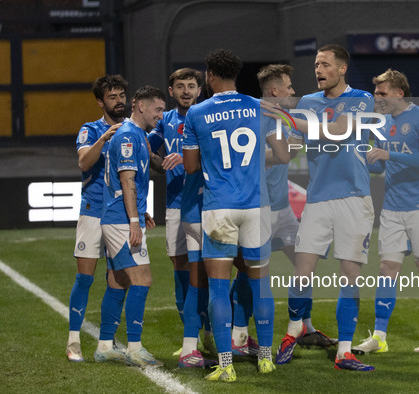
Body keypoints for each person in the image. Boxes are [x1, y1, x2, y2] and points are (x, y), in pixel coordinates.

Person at [182, 49, 289, 382]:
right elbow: (283, 154)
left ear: (211, 75)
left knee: (217, 288)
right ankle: (267, 359)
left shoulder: (196, 112)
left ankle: (226, 364)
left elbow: (190, 166)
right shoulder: (260, 107)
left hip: (219, 208)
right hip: (257, 206)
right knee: (261, 286)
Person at [272, 44, 375, 372]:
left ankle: (344, 351)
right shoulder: (306, 103)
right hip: (317, 199)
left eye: (325, 64)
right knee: (302, 271)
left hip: (354, 199)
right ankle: (293, 333)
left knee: (349, 274)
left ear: (342, 69)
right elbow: (292, 146)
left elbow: (338, 131)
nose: (318, 70)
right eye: (316, 64)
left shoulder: (361, 99)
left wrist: (287, 117)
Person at [228, 64, 337, 352]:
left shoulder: (282, 118)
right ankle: (238, 335)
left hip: (283, 209)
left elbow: (287, 152)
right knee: (248, 272)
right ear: (275, 91)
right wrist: (285, 152)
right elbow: (271, 156)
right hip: (257, 209)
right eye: (288, 86)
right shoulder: (253, 116)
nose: (293, 91)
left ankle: (305, 327)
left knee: (305, 262)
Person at [352, 69, 419, 354]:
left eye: (382, 93)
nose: (377, 98)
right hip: (393, 208)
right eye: (375, 93)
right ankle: (380, 337)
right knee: (387, 268)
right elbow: (379, 165)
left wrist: (388, 154)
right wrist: (357, 157)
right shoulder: (381, 124)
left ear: (399, 93)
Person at [147, 67, 215, 366]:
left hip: (207, 203)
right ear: (171, 91)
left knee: (211, 270)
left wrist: (190, 159)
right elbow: (142, 149)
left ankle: (211, 330)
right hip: (176, 204)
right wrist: (160, 161)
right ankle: (193, 335)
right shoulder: (165, 121)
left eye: (191, 85)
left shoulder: (207, 117)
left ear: (200, 90)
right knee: (180, 270)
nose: (186, 90)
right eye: (180, 86)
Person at [97, 85, 166, 367]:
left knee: (119, 280)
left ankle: (104, 346)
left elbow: (129, 181)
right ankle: (135, 348)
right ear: (140, 106)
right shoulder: (128, 135)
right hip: (120, 222)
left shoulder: (137, 135)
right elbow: (126, 180)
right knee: (142, 279)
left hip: (120, 217)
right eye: (158, 109)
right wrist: (134, 220)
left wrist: (140, 210)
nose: (161, 115)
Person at [66, 74, 127, 362]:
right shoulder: (89, 130)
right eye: (112, 97)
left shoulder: (130, 131)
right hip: (92, 210)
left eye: (122, 96)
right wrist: (104, 137)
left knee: (118, 279)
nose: (119, 101)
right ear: (100, 101)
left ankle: (107, 340)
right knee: (85, 278)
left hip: (120, 214)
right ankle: (73, 341)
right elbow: (83, 162)